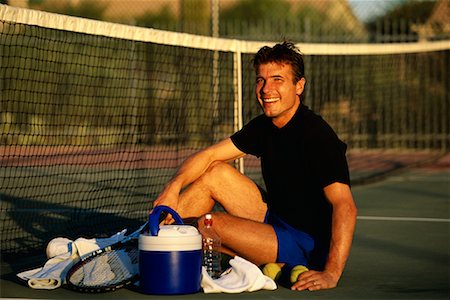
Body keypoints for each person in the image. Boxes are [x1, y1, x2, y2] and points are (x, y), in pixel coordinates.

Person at [153, 41, 357, 291]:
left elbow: (345, 206)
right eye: (261, 80)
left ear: (299, 86)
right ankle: (151, 240)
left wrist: (331, 273)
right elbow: (209, 155)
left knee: (210, 225)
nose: (266, 88)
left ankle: (162, 249)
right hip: (276, 218)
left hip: (305, 244)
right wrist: (173, 188)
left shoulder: (318, 137)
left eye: (277, 79)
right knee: (216, 172)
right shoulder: (264, 127)